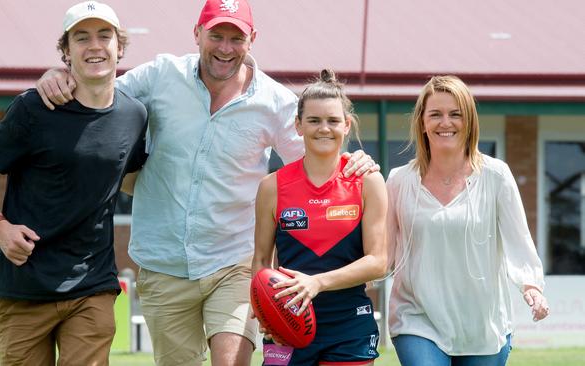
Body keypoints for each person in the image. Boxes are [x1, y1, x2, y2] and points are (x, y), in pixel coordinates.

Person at [36, 1, 378, 364]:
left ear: (252, 40)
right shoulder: (159, 76)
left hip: (233, 263)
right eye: (216, 35)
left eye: (236, 37)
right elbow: (99, 95)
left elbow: (315, 162)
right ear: (197, 34)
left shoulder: (273, 101)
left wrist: (353, 162)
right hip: (162, 263)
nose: (225, 47)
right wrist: (60, 76)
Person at [0, 2, 148, 364]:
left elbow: (128, 182)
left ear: (120, 47)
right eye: (81, 38)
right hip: (24, 285)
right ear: (66, 52)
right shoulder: (34, 108)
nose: (94, 46)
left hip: (93, 285)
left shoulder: (134, 115)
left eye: (104, 36)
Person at [386, 75, 550, 366]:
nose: (445, 122)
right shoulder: (399, 181)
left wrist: (532, 287)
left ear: (470, 121)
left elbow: (518, 240)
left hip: (483, 326)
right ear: (422, 122)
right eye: (435, 114)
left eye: (455, 114)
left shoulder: (496, 175)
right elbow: (381, 256)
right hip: (416, 318)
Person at [252, 69, 388, 365]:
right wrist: (263, 310)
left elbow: (378, 261)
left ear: (347, 125)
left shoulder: (368, 182)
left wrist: (318, 283)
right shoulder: (272, 187)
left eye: (332, 120)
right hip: (286, 323)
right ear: (298, 125)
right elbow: (261, 261)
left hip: (350, 325)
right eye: (313, 120)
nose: (323, 129)